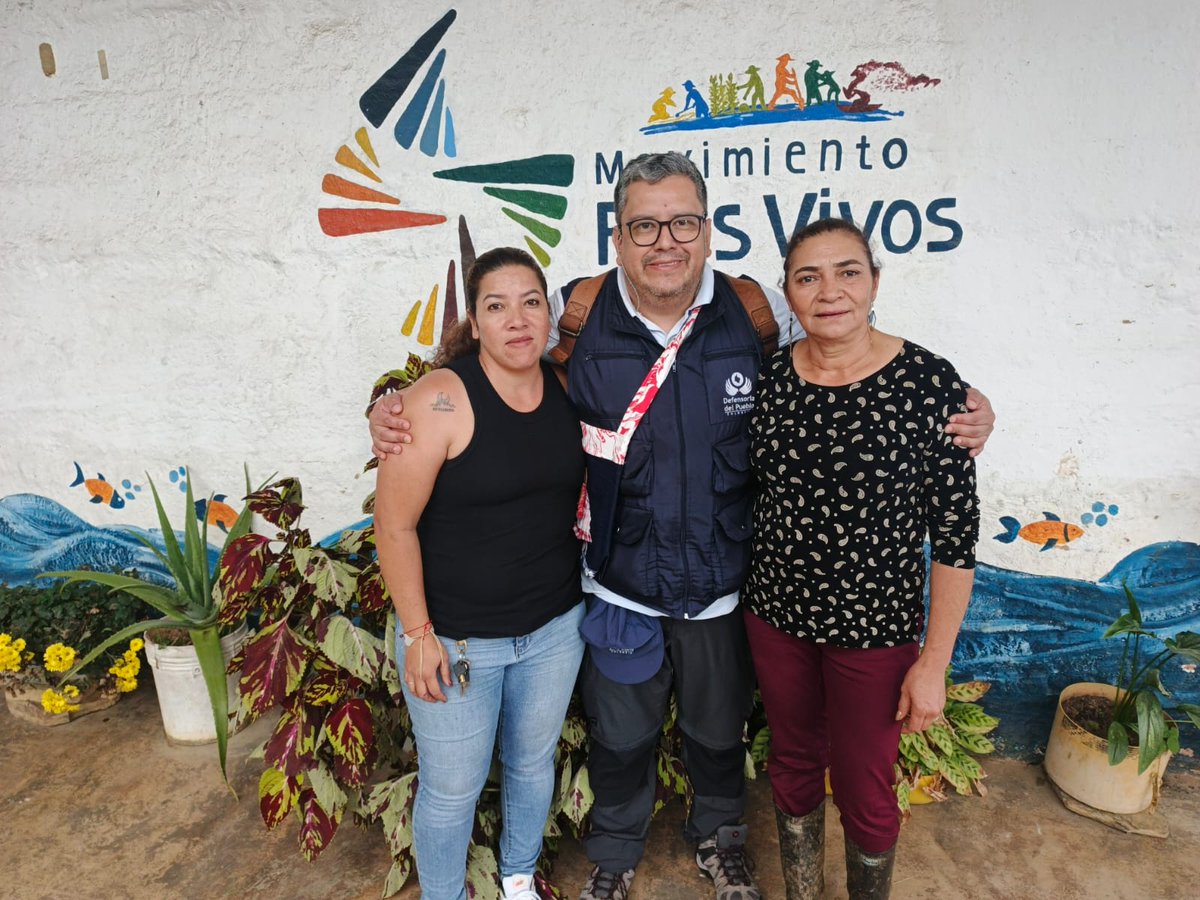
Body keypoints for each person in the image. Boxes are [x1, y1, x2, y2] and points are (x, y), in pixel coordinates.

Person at [369, 152, 996, 900]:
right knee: (622, 735)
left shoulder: (757, 309)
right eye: (644, 225)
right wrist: (392, 410)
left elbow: (848, 339)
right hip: (621, 587)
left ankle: (722, 840)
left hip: (726, 589)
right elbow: (491, 365)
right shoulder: (574, 311)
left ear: (708, 228)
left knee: (714, 731)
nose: (665, 241)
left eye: (683, 222)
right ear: (617, 234)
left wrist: (959, 403)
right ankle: (615, 851)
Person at [743, 217, 979, 900]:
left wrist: (932, 664)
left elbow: (957, 537)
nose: (830, 291)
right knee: (791, 762)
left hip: (875, 633)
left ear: (875, 280)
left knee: (865, 784)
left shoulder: (929, 386)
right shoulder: (771, 385)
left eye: (847, 271)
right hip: (777, 618)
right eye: (807, 276)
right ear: (788, 293)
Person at [373, 247, 585, 900]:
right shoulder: (440, 400)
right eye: (498, 305)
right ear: (476, 319)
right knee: (453, 785)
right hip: (459, 642)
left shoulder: (566, 386)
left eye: (531, 302)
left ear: (549, 313)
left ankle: (517, 878)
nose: (518, 320)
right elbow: (393, 525)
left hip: (554, 630)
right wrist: (418, 634)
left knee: (530, 765)